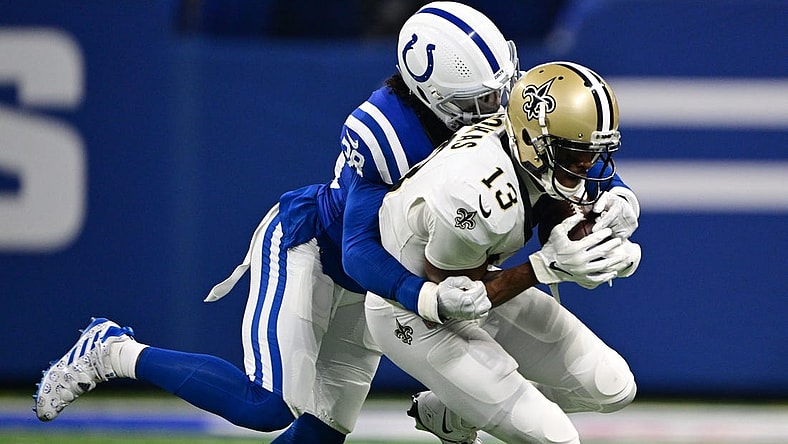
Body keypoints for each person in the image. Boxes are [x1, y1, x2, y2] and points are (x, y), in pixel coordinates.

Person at [33, 2, 522, 443]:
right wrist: (429, 306)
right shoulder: (388, 133)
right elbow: (361, 251)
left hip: (373, 286)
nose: (493, 113)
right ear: (428, 90)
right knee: (266, 405)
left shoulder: (485, 133)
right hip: (313, 250)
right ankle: (113, 350)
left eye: (497, 96)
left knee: (321, 434)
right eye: (477, 102)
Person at [364, 61, 642, 444]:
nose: (586, 165)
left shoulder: (528, 134)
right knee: (556, 438)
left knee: (614, 386)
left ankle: (454, 410)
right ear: (535, 142)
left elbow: (552, 201)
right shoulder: (472, 194)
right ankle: (468, 401)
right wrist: (546, 267)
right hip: (415, 312)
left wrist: (603, 239)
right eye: (575, 153)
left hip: (476, 279)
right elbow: (456, 299)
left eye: (593, 152)